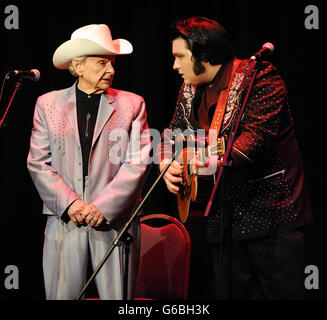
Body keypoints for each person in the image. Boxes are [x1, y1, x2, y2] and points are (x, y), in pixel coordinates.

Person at [159, 16, 313, 299]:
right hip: (223, 222)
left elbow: (251, 143)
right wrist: (166, 163)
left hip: (272, 219)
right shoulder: (189, 89)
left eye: (180, 56)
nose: (175, 66)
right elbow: (172, 134)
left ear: (203, 54)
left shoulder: (261, 77)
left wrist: (200, 160)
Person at [27, 24, 150, 300]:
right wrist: (71, 203)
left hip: (115, 221)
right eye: (102, 63)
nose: (111, 70)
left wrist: (103, 206)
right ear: (77, 66)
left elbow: (138, 162)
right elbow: (38, 162)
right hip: (65, 220)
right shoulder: (47, 103)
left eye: (112, 63)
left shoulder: (133, 104)